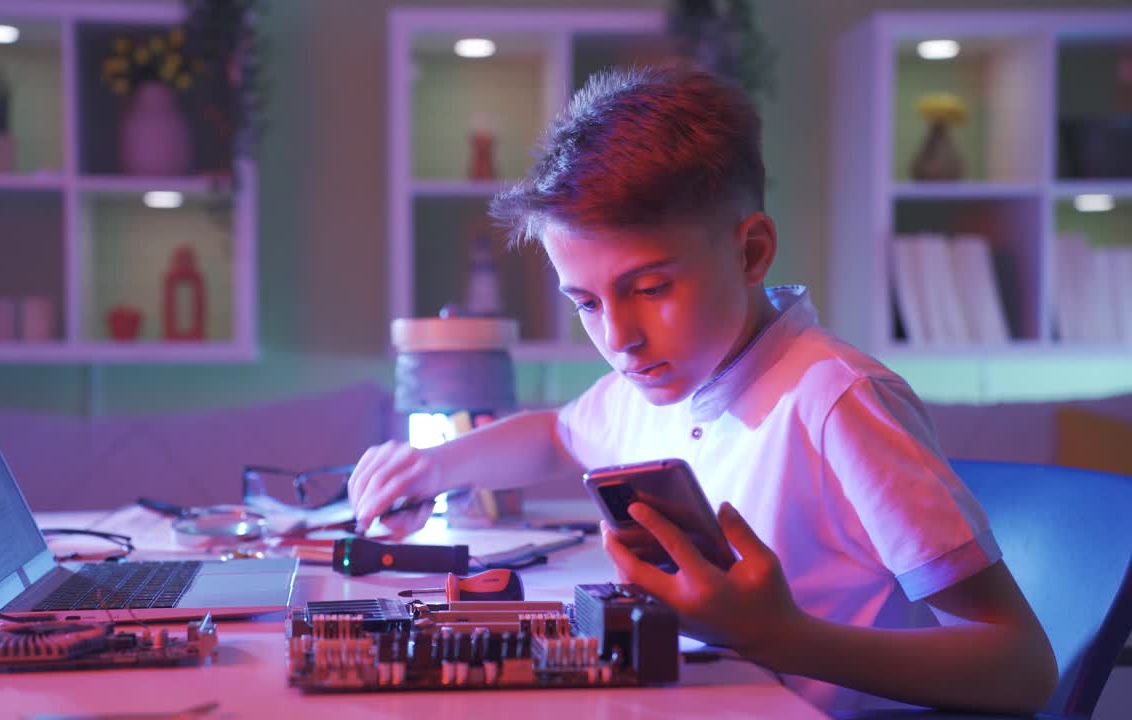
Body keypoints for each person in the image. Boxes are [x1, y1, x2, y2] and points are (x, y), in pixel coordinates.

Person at [347, 64, 1057, 713]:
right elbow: (557, 433)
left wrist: (781, 637)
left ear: (750, 252)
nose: (619, 337)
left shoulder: (837, 400)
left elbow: (1021, 668)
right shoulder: (657, 382)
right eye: (587, 303)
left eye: (650, 288)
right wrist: (435, 466)